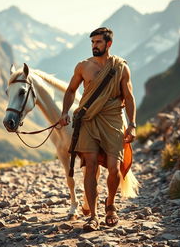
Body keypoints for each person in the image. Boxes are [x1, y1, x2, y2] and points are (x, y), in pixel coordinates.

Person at [59, 27, 136, 231]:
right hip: (89, 121)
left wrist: (132, 124)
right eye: (92, 42)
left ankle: (110, 205)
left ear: (108, 44)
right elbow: (71, 90)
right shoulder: (83, 66)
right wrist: (65, 111)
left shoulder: (120, 67)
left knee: (113, 168)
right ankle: (92, 216)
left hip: (113, 120)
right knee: (90, 168)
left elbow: (128, 97)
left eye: (98, 42)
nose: (94, 46)